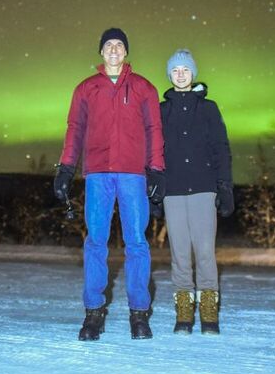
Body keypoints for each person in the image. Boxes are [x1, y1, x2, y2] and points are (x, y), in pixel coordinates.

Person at [53, 27, 166, 341]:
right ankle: (93, 312)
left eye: (119, 45)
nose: (114, 49)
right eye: (109, 45)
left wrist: (157, 169)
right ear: (101, 52)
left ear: (126, 51)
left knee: (137, 242)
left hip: (133, 174)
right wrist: (66, 167)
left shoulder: (144, 87)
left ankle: (139, 313)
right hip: (98, 174)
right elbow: (75, 129)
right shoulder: (86, 88)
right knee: (95, 241)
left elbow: (154, 129)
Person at [159, 48, 233, 335]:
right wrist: (154, 189)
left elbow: (221, 149)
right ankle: (184, 313)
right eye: (175, 70)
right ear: (170, 75)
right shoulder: (161, 110)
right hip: (173, 190)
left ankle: (209, 312)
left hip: (204, 188)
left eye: (185, 70)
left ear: (193, 73)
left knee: (204, 252)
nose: (180, 75)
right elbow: (154, 152)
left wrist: (224, 186)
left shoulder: (209, 108)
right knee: (179, 253)